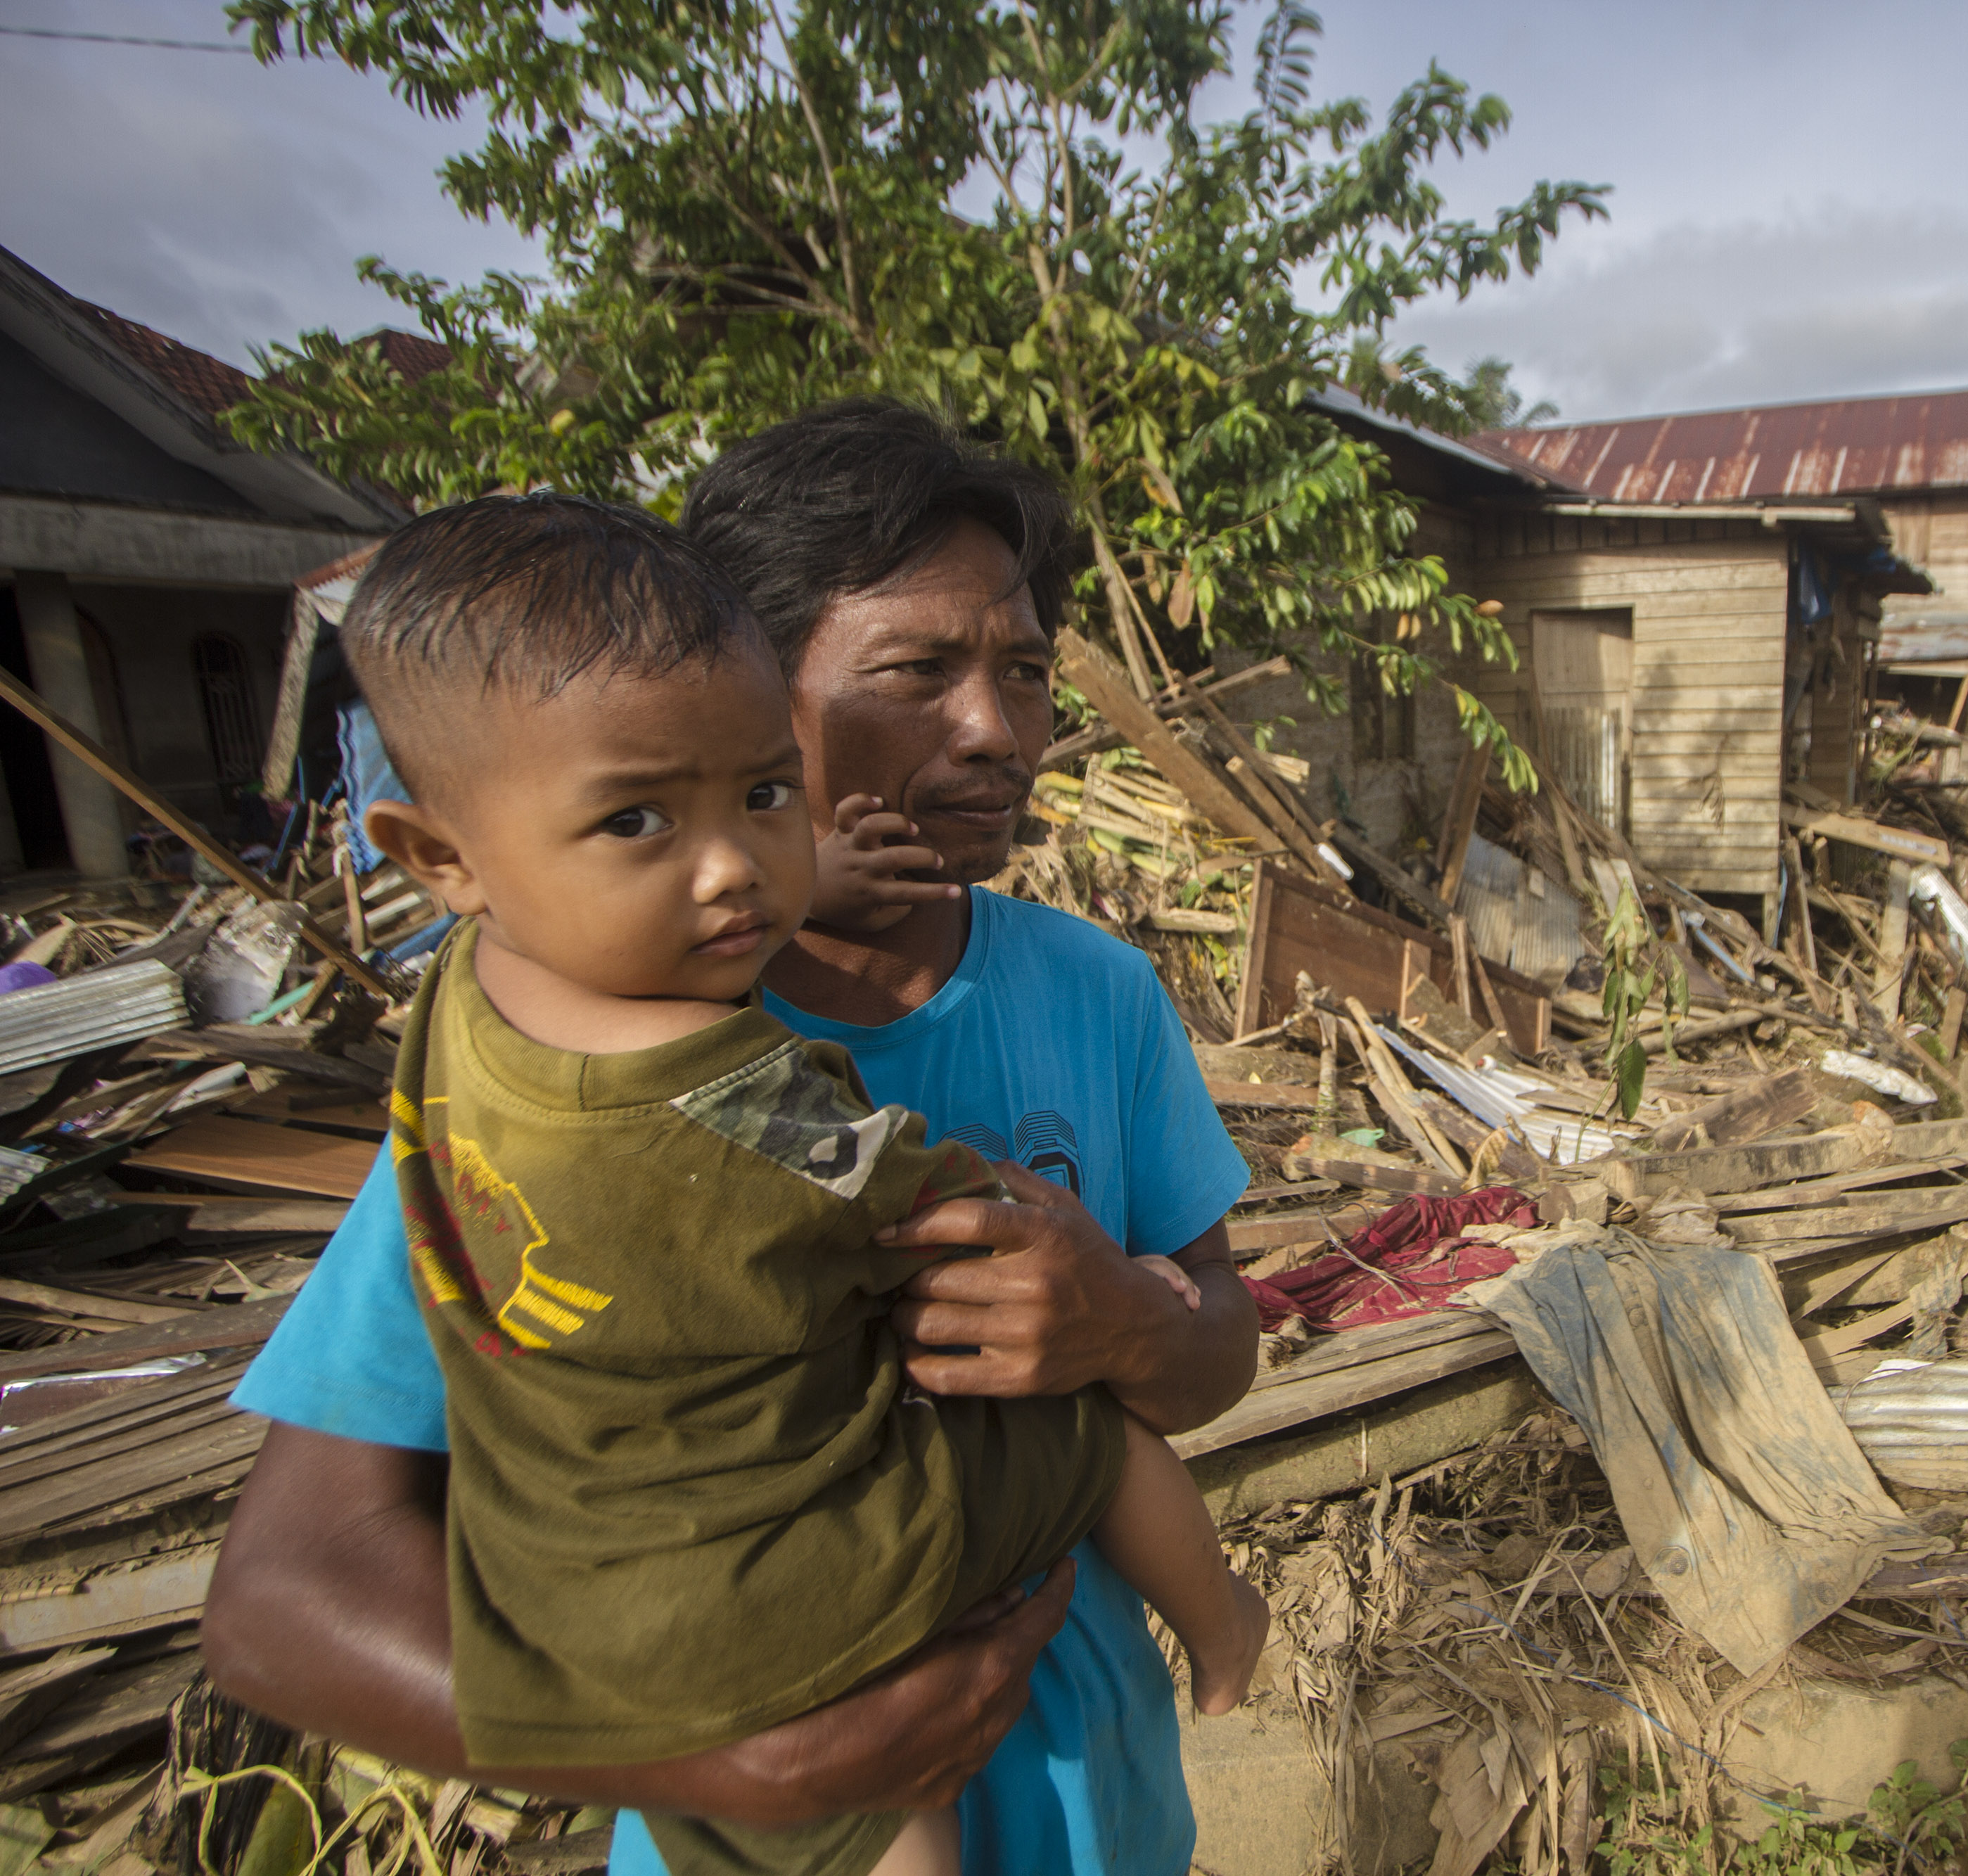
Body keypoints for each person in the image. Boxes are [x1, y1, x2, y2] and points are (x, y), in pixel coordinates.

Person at [204, 402, 1260, 1876]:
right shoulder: (575, 1080)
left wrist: (1124, 1318)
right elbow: (281, 1598)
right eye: (917, 670)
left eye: (1022, 670)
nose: (998, 727)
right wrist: (733, 1756)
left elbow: (1220, 1350)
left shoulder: (1096, 990)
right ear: (757, 675)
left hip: (1110, 1810)